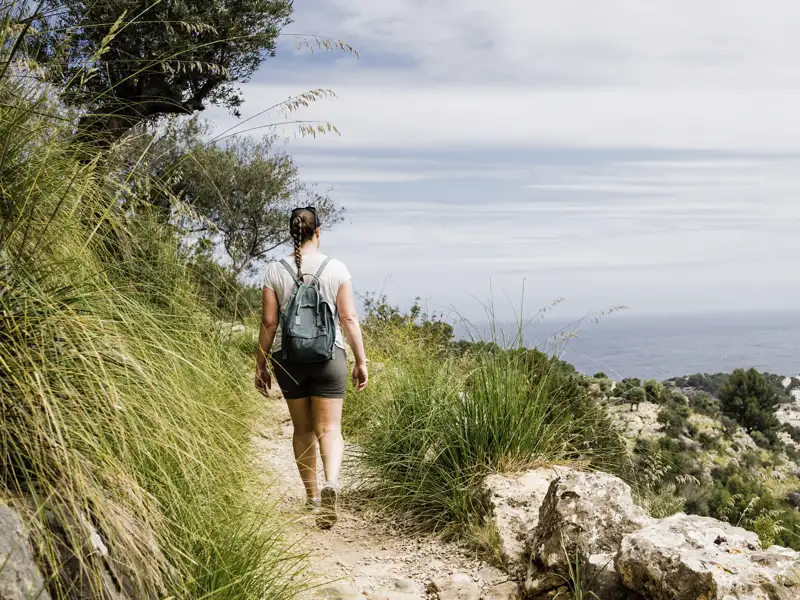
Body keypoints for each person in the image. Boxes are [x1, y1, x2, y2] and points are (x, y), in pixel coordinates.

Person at [255, 206, 368, 529]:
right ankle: (331, 481)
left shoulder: (274, 270)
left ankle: (313, 496)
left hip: (288, 359)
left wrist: (260, 365)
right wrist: (360, 361)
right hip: (328, 357)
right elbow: (348, 319)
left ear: (292, 233)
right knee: (330, 428)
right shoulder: (336, 268)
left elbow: (269, 322)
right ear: (319, 232)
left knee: (303, 429)